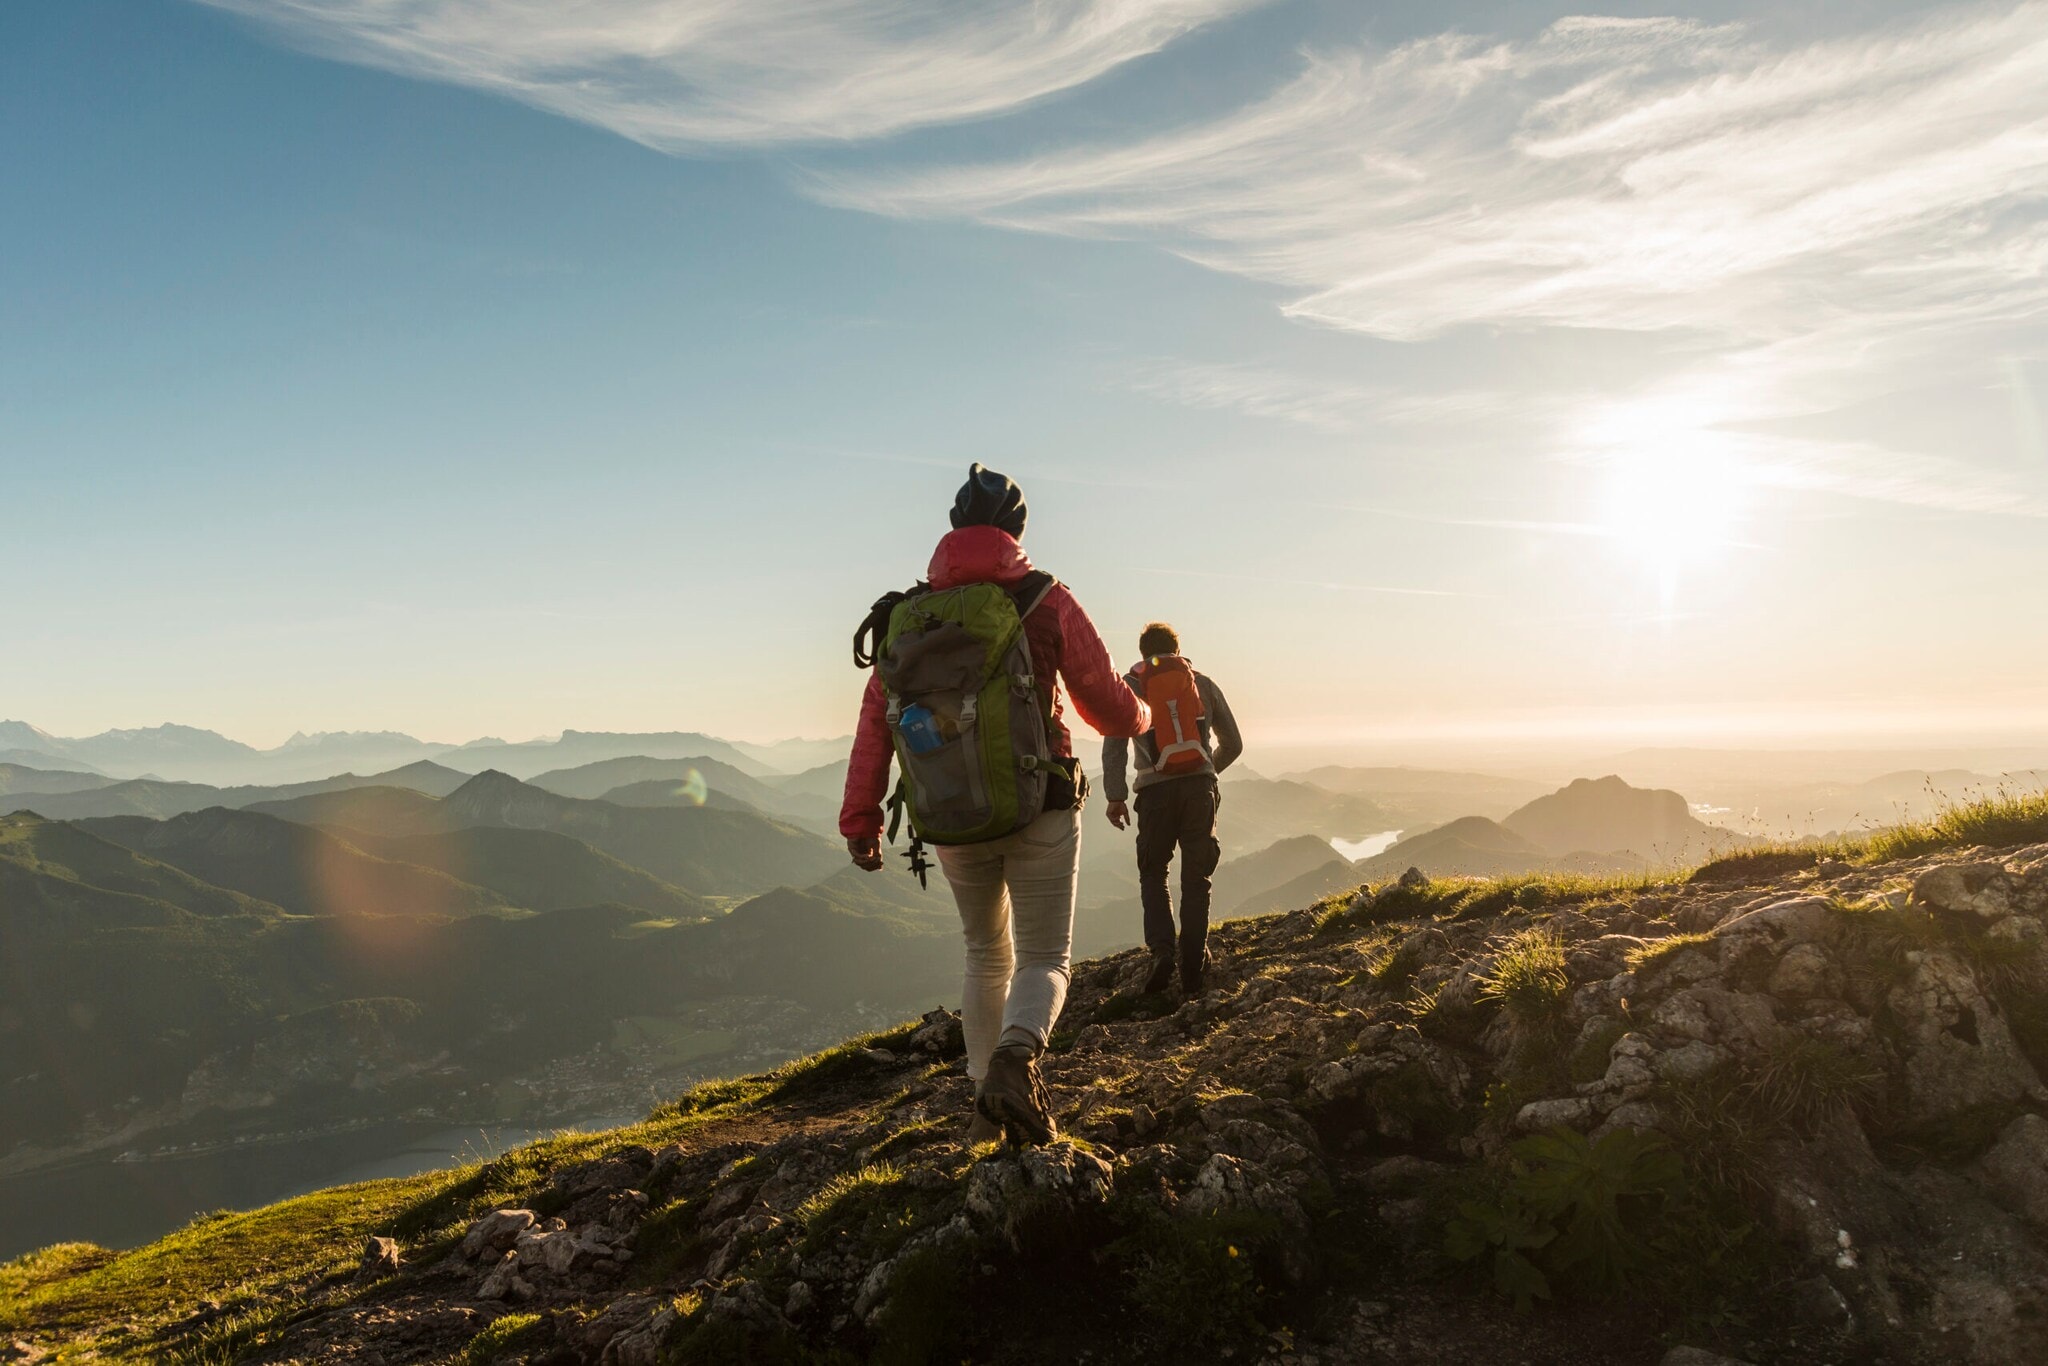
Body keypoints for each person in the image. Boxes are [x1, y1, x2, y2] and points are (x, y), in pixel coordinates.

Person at [842, 464, 1149, 1145]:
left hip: (948, 814)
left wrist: (861, 821)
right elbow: (1104, 701)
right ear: (1016, 532)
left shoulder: (906, 617)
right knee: (1044, 956)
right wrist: (1142, 714)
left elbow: (874, 726)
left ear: (955, 531)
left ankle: (986, 1112)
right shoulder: (1044, 599)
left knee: (985, 952)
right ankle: (1017, 1060)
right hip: (1039, 805)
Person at [1102, 622, 1243, 996]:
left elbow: (1114, 746)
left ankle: (1162, 952)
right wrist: (1206, 769)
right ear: (1177, 649)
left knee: (1154, 872)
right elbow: (1235, 742)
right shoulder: (1202, 683)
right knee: (1197, 879)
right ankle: (1194, 967)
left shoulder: (1130, 688)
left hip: (1155, 795)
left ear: (1143, 651)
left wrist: (1115, 795)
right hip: (1200, 791)